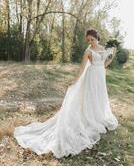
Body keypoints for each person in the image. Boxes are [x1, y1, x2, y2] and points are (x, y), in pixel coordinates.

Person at [13, 29, 119, 159]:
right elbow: (81, 68)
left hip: (100, 76)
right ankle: (89, 118)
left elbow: (104, 65)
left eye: (92, 39)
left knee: (99, 98)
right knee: (90, 98)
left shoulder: (104, 48)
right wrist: (74, 81)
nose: (90, 42)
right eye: (88, 40)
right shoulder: (88, 51)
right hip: (91, 77)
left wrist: (112, 54)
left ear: (97, 37)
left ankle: (98, 117)